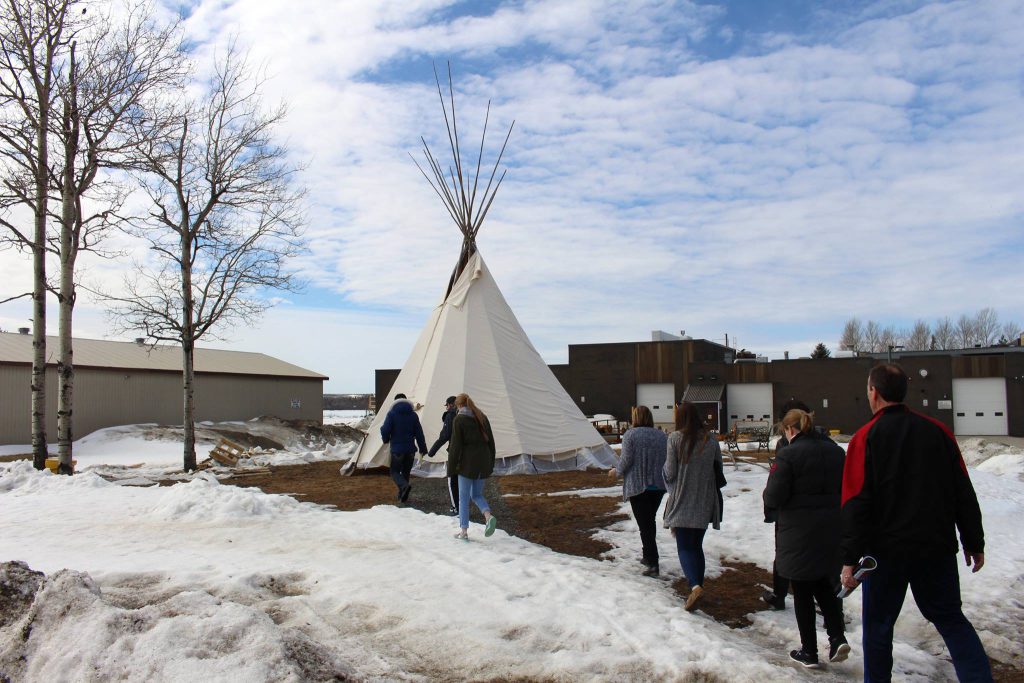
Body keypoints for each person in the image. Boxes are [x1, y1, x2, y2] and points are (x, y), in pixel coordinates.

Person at [840, 363, 991, 682]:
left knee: (878, 629)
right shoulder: (939, 432)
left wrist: (849, 560)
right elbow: (963, 490)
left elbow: (856, 502)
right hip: (935, 549)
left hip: (885, 554)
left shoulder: (865, 438)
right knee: (951, 620)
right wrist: (973, 542)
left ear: (874, 392)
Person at [763, 408, 849, 668]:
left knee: (802, 589)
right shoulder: (837, 452)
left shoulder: (788, 455)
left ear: (789, 430)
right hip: (833, 529)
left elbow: (774, 496)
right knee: (825, 583)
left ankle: (809, 651)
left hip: (799, 531)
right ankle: (837, 638)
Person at [663, 400, 724, 611]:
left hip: (682, 498)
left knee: (684, 546)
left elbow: (670, 472)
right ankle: (698, 588)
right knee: (696, 545)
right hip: (705, 499)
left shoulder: (675, 439)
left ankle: (695, 586)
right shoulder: (711, 440)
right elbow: (719, 470)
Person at [762, 398, 814, 611]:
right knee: (818, 554)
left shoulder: (787, 445)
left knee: (784, 552)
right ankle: (831, 603)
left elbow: (779, 481)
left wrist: (770, 505)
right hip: (823, 511)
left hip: (791, 510)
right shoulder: (826, 443)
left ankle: (780, 594)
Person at [607, 405, 668, 577]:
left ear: (635, 418)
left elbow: (626, 460)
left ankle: (653, 563)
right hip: (658, 486)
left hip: (639, 485)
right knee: (648, 522)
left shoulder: (630, 435)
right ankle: (647, 556)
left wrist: (616, 472)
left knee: (645, 525)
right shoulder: (661, 436)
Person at [448, 393, 498, 541]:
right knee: (476, 494)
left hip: (467, 464)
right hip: (483, 462)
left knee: (463, 498)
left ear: (458, 405)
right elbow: (491, 442)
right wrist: (491, 463)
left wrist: (451, 469)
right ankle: (488, 517)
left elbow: (455, 447)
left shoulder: (459, 420)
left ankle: (463, 531)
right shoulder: (481, 416)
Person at [380, 393, 427, 503]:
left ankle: (404, 487)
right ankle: (402, 496)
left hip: (397, 450)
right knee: (406, 472)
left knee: (394, 472)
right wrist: (422, 448)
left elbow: (384, 430)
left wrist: (385, 439)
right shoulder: (413, 415)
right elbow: (419, 433)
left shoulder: (391, 414)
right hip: (410, 450)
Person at [426, 395, 459, 515]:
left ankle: (456, 508)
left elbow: (444, 436)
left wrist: (432, 451)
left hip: (455, 452)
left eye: (447, 405)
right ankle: (463, 507)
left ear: (450, 405)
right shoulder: (467, 414)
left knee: (452, 480)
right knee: (463, 481)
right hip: (468, 453)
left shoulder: (450, 416)